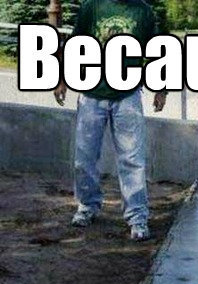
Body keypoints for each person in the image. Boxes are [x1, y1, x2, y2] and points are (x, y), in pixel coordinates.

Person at [54, 0, 168, 241]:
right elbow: (74, 45)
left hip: (128, 95)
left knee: (132, 160)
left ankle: (137, 217)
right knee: (84, 158)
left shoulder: (142, 11)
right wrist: (62, 79)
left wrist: (161, 88)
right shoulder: (92, 7)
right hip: (91, 93)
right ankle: (87, 206)